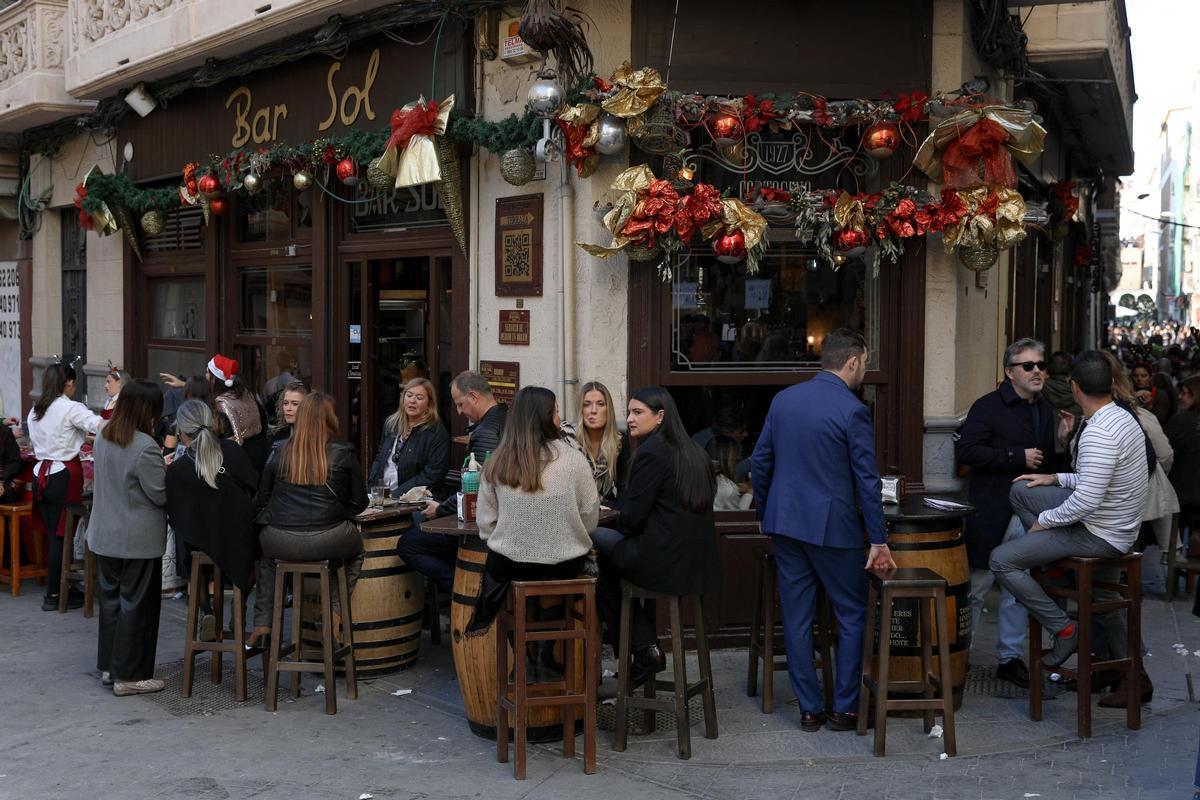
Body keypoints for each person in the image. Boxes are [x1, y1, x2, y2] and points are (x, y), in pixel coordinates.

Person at [751, 327, 895, 733]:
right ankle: (845, 708)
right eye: (864, 363)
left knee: (796, 617)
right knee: (851, 614)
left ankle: (810, 708)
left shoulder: (784, 400)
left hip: (786, 523)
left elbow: (760, 460)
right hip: (834, 529)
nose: (864, 371)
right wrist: (879, 538)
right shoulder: (852, 411)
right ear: (852, 361)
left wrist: (764, 508)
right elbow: (867, 481)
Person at [991, 352, 1149, 677]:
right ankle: (1051, 566)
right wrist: (1055, 478)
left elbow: (1087, 500)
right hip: (1111, 521)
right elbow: (1098, 479)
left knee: (1002, 560)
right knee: (1022, 490)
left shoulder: (1099, 432)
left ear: (1074, 387)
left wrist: (1044, 523)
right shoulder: (1120, 416)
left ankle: (1064, 629)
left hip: (1101, 534)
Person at [591, 386, 720, 687]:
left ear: (660, 416)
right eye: (630, 412)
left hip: (662, 563)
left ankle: (643, 649)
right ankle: (643, 647)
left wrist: (606, 511)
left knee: (591, 544)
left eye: (638, 413)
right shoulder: (695, 452)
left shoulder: (652, 452)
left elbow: (631, 521)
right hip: (696, 564)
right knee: (605, 556)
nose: (630, 419)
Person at [955, 338, 1056, 689]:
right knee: (978, 586)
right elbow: (968, 451)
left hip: (1028, 512)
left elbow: (1047, 462)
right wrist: (1016, 457)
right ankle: (958, 656)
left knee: (1019, 586)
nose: (1037, 371)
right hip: (992, 508)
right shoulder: (988, 407)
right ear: (1009, 372)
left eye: (1041, 365)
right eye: (1028, 366)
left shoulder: (1045, 409)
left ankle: (1009, 659)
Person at [466, 386, 599, 634]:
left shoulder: (497, 461)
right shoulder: (574, 460)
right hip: (565, 564)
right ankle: (544, 651)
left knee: (496, 567)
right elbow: (590, 517)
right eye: (556, 411)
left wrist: (517, 539)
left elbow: (485, 524)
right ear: (545, 417)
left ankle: (524, 651)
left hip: (510, 564)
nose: (560, 417)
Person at [251, 392, 367, 646]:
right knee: (357, 552)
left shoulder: (279, 450)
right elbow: (359, 504)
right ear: (329, 419)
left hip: (280, 539)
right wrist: (337, 513)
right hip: (329, 538)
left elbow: (262, 497)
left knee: (268, 561)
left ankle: (262, 625)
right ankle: (333, 616)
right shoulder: (343, 451)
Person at [86, 379, 169, 696]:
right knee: (137, 606)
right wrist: (167, 468)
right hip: (137, 539)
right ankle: (131, 676)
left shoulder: (104, 436)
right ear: (146, 410)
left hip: (104, 534)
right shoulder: (145, 446)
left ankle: (110, 667)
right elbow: (159, 494)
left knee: (111, 603)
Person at [397, 371, 508, 593]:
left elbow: (478, 488)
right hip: (500, 520)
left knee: (408, 544)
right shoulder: (507, 415)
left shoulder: (485, 431)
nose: (459, 411)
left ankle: (465, 588)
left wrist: (441, 509)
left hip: (486, 526)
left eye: (460, 404)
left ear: (474, 396)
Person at [165, 400, 260, 641]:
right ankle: (239, 606)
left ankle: (206, 610)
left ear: (181, 431)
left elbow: (175, 516)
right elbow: (255, 489)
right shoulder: (233, 451)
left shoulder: (178, 469)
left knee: (186, 541)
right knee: (257, 554)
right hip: (239, 544)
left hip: (200, 547)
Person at [26, 363, 102, 611]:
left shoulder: (36, 410)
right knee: (61, 535)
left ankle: (60, 589)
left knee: (54, 534)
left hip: (41, 474)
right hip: (61, 475)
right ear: (68, 383)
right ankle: (54, 594)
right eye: (73, 382)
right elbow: (98, 425)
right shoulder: (71, 408)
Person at [1103, 351, 1178, 598]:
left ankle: (1119, 582)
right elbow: (1165, 453)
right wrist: (1158, 472)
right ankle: (1166, 567)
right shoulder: (1140, 416)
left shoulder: (1091, 419)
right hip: (1141, 491)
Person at [367, 377, 450, 499]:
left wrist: (395, 495)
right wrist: (372, 489)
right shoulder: (391, 424)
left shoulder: (436, 432)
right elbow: (380, 459)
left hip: (415, 501)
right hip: (382, 497)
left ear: (429, 404)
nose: (412, 401)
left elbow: (432, 475)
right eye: (409, 395)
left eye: (419, 398)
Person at [567, 380, 630, 503]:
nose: (593, 411)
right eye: (586, 404)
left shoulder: (619, 441)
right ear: (581, 409)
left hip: (607, 513)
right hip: (574, 513)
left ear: (608, 409)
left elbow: (624, 488)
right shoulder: (569, 439)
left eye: (600, 404)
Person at [207, 354, 272, 473]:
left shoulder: (222, 402)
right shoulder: (245, 393)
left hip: (242, 458)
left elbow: (235, 438)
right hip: (261, 451)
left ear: (214, 378)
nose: (205, 376)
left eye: (208, 373)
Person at [708, 435, 752, 510]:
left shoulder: (695, 479)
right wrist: (750, 492)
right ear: (732, 460)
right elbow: (737, 517)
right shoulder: (728, 489)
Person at [269, 380, 310, 447]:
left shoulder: (318, 435)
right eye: (285, 403)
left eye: (295, 404)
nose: (288, 408)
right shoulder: (277, 436)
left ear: (308, 406)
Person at [0, 422, 23, 503]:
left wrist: (2, 480)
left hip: (3, 481)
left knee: (10, 496)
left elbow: (14, 462)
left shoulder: (4, 432)